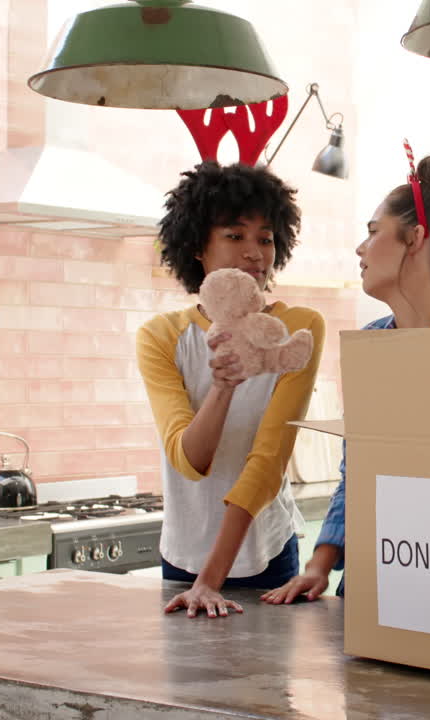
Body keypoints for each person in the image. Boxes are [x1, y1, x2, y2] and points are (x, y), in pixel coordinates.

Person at [262, 152, 430, 604]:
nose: (361, 248)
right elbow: (355, 473)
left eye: (373, 232)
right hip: (368, 582)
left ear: (415, 238)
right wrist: (318, 567)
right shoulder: (369, 345)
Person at [137, 161, 325, 619]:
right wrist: (222, 387)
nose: (255, 253)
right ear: (198, 247)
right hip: (182, 559)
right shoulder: (161, 337)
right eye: (235, 236)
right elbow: (190, 460)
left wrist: (211, 580)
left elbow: (268, 461)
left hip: (267, 558)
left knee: (264, 690)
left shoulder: (297, 330)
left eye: (265, 238)